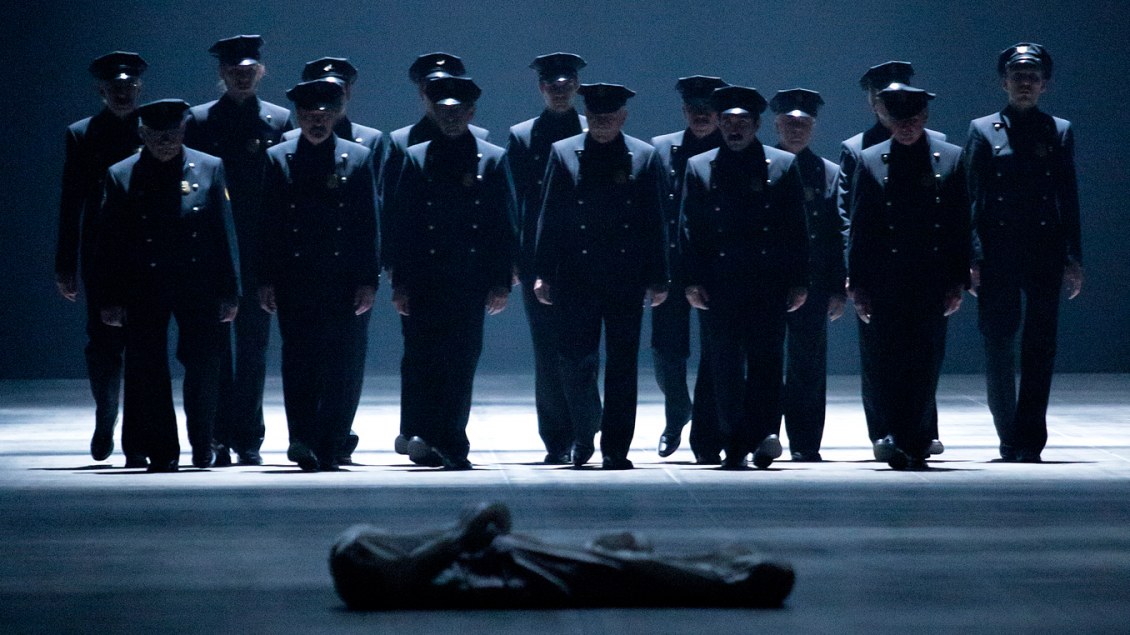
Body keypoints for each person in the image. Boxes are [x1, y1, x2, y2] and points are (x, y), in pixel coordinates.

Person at [96, 99, 241, 473]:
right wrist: (109, 297)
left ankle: (204, 440)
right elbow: (109, 243)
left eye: (173, 133)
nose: (166, 141)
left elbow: (223, 234)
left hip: (199, 283)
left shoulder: (209, 167)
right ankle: (162, 450)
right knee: (148, 368)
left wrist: (230, 290)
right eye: (157, 134)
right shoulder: (121, 174)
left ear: (184, 130)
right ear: (142, 133)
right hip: (144, 283)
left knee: (205, 364)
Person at [383, 76, 517, 470]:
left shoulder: (491, 158)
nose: (452, 117)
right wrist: (400, 281)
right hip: (425, 278)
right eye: (444, 111)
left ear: (471, 112)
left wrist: (501, 281)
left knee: (461, 360)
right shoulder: (416, 156)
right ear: (434, 113)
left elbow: (503, 223)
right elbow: (403, 223)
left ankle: (453, 440)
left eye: (458, 111)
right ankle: (426, 435)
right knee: (425, 359)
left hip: (470, 278)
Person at [533, 83, 668, 470]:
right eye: (595, 116)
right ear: (586, 116)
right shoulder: (564, 152)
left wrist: (659, 276)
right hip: (576, 275)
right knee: (575, 361)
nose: (602, 123)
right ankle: (583, 432)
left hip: (625, 276)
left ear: (623, 117)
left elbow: (655, 220)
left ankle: (616, 448)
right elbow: (550, 215)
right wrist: (543, 271)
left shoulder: (643, 155)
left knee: (623, 365)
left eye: (609, 117)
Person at [330, 501, 795, 610]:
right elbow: (438, 552)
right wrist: (468, 530)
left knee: (615, 565)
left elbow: (450, 543)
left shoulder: (359, 549)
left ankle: (717, 570)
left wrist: (473, 529)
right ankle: (726, 578)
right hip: (501, 570)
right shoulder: (361, 559)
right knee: (617, 571)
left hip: (497, 562)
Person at [965, 43, 1083, 463]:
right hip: (997, 253)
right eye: (1018, 77)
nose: (1026, 84)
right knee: (999, 343)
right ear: (1005, 82)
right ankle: (1008, 432)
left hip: (1044, 251)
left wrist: (1074, 257)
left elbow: (1067, 197)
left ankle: (1031, 437)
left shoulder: (1058, 130)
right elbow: (972, 199)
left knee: (1040, 345)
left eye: (1033, 78)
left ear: (1044, 85)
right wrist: (971, 258)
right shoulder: (983, 130)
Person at [681, 86, 809, 470]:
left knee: (767, 364)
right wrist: (690, 280)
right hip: (719, 284)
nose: (734, 129)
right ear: (719, 124)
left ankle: (763, 436)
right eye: (727, 121)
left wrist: (799, 281)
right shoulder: (700, 166)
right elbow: (689, 229)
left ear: (756, 126)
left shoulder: (782, 165)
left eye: (742, 122)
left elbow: (796, 228)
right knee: (724, 366)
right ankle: (734, 440)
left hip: (768, 283)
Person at [258, 79, 379, 472]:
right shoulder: (278, 157)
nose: (317, 122)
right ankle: (301, 439)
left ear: (336, 115)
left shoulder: (356, 157)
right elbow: (268, 223)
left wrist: (368, 281)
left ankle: (330, 442)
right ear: (298, 117)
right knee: (298, 360)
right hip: (295, 278)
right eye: (310, 115)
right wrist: (265, 279)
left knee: (339, 364)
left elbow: (368, 224)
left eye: (325, 115)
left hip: (341, 279)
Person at [846, 85, 970, 470]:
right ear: (888, 120)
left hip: (931, 279)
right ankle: (896, 436)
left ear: (924, 118)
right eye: (899, 120)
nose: (906, 127)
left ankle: (915, 438)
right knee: (887, 361)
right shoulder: (871, 159)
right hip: (886, 279)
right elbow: (861, 225)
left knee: (925, 360)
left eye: (913, 119)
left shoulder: (950, 157)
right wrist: (857, 283)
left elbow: (959, 222)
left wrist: (958, 280)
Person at [184, 34, 293, 467]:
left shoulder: (279, 120)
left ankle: (248, 436)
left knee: (253, 348)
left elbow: (285, 192)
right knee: (213, 348)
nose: (242, 76)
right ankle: (216, 435)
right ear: (222, 73)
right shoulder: (199, 120)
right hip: (212, 249)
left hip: (258, 248)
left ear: (260, 72)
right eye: (234, 70)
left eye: (249, 70)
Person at [836, 61, 946, 461]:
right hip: (879, 264)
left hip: (924, 265)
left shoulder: (937, 145)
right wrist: (854, 269)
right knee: (879, 355)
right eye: (881, 96)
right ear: (872, 102)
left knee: (924, 351)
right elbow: (848, 212)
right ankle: (882, 431)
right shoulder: (858, 149)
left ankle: (923, 430)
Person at [55, 51, 147, 467]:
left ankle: (136, 436)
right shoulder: (82, 134)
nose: (122, 93)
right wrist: (65, 263)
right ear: (101, 90)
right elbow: (71, 200)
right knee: (104, 342)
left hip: (146, 251)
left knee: (144, 343)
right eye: (114, 87)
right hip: (101, 253)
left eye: (128, 86)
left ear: (139, 88)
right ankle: (106, 414)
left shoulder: (153, 128)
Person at [505, 52, 588, 465]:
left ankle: (584, 429)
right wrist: (515, 259)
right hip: (539, 255)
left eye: (566, 85)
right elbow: (514, 202)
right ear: (541, 88)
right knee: (548, 349)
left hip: (586, 254)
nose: (559, 91)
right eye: (553, 86)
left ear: (576, 88)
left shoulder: (592, 130)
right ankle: (557, 437)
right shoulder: (524, 136)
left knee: (583, 348)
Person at [650, 75, 728, 464]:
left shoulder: (730, 149)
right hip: (669, 263)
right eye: (694, 109)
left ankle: (708, 427)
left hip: (713, 265)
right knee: (666, 349)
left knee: (717, 349)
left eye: (708, 110)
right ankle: (677, 411)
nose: (701, 116)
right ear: (684, 111)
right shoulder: (661, 149)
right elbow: (649, 210)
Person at [769, 88, 845, 462]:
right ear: (776, 125)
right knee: (765, 361)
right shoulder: (761, 164)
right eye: (789, 123)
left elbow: (836, 232)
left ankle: (805, 442)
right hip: (766, 281)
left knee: (809, 365)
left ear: (813, 126)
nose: (796, 129)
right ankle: (764, 433)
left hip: (814, 281)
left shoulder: (828, 173)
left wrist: (838, 286)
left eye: (803, 123)